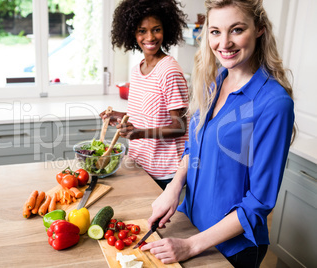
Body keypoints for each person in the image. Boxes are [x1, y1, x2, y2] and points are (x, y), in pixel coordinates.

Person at [143, 0, 296, 267]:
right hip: (190, 223)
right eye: (215, 31)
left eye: (236, 30)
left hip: (230, 248)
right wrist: (174, 187)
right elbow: (194, 147)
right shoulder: (214, 82)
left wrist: (191, 245)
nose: (224, 43)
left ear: (259, 29)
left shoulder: (273, 103)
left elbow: (259, 202)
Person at [100, 0, 189, 190]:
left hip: (165, 170)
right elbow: (146, 113)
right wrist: (118, 115)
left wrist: (139, 133)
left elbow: (180, 127)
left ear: (166, 30)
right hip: (141, 163)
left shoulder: (169, 71)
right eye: (142, 31)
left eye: (156, 29)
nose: (150, 37)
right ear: (132, 32)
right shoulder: (137, 69)